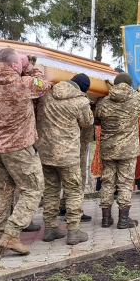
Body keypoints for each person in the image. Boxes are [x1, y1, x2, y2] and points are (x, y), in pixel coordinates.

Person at [0, 48, 51, 255]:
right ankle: (11, 235)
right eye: (19, 65)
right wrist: (29, 66)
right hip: (19, 148)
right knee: (33, 188)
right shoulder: (23, 84)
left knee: (1, 195)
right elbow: (45, 83)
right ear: (14, 66)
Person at [36, 73, 93, 245]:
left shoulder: (46, 95)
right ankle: (73, 231)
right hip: (68, 156)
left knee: (51, 191)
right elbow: (87, 123)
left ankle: (50, 228)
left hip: (46, 153)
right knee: (73, 191)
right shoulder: (80, 101)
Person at [94, 72, 140, 229]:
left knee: (107, 182)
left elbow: (96, 119)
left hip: (108, 149)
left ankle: (106, 218)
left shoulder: (103, 102)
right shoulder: (137, 99)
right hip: (128, 150)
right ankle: (123, 219)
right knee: (125, 183)